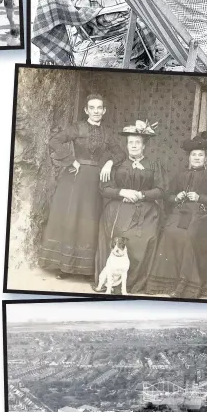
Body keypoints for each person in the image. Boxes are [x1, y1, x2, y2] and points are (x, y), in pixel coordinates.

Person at [39, 94, 123, 278]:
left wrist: (109, 162)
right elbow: (54, 141)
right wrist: (70, 161)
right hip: (74, 179)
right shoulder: (77, 128)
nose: (96, 111)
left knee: (89, 220)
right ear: (86, 110)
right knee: (72, 217)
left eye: (99, 108)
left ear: (104, 111)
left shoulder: (108, 133)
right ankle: (64, 267)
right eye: (92, 108)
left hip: (95, 181)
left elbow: (120, 154)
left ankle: (85, 268)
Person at [147, 131, 207, 299]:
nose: (197, 158)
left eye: (200, 155)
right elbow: (168, 195)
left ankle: (185, 284)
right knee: (169, 233)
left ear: (205, 157)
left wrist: (200, 197)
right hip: (180, 212)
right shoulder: (180, 173)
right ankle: (167, 282)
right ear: (189, 157)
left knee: (189, 235)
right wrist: (177, 197)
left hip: (202, 215)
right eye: (194, 155)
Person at [95, 121, 167, 294]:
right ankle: (112, 280)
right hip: (119, 207)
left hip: (146, 210)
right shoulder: (116, 164)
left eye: (137, 143)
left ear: (144, 145)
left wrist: (142, 195)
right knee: (120, 232)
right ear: (126, 145)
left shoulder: (154, 165)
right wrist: (122, 192)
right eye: (130, 143)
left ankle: (134, 280)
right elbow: (104, 188)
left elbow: (161, 189)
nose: (133, 146)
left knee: (146, 237)